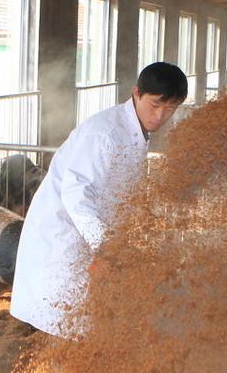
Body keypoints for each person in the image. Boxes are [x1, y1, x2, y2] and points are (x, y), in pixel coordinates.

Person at [10, 62, 188, 338]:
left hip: (93, 237)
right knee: (65, 319)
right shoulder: (105, 133)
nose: (161, 115)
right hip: (66, 236)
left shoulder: (135, 130)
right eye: (155, 105)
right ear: (136, 93)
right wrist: (105, 245)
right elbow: (76, 193)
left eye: (171, 108)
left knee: (85, 321)